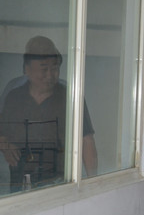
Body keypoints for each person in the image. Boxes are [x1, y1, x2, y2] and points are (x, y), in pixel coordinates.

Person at [0, 36, 97, 192]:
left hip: (59, 184)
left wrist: (93, 184)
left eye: (55, 68)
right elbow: (2, 133)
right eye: (44, 69)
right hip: (20, 184)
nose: (50, 75)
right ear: (27, 70)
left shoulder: (70, 98)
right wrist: (5, 146)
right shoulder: (14, 97)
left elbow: (87, 140)